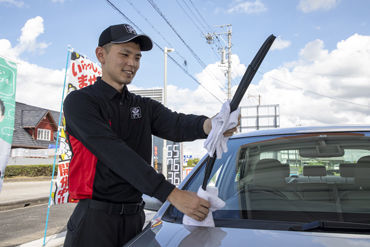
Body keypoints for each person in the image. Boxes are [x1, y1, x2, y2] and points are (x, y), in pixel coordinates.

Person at [63, 24, 238, 247]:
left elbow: (176, 124)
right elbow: (115, 152)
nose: (132, 63)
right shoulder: (81, 102)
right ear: (101, 55)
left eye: (137, 57)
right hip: (94, 222)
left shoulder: (143, 106)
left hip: (136, 218)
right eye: (124, 54)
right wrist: (172, 194)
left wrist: (211, 125)